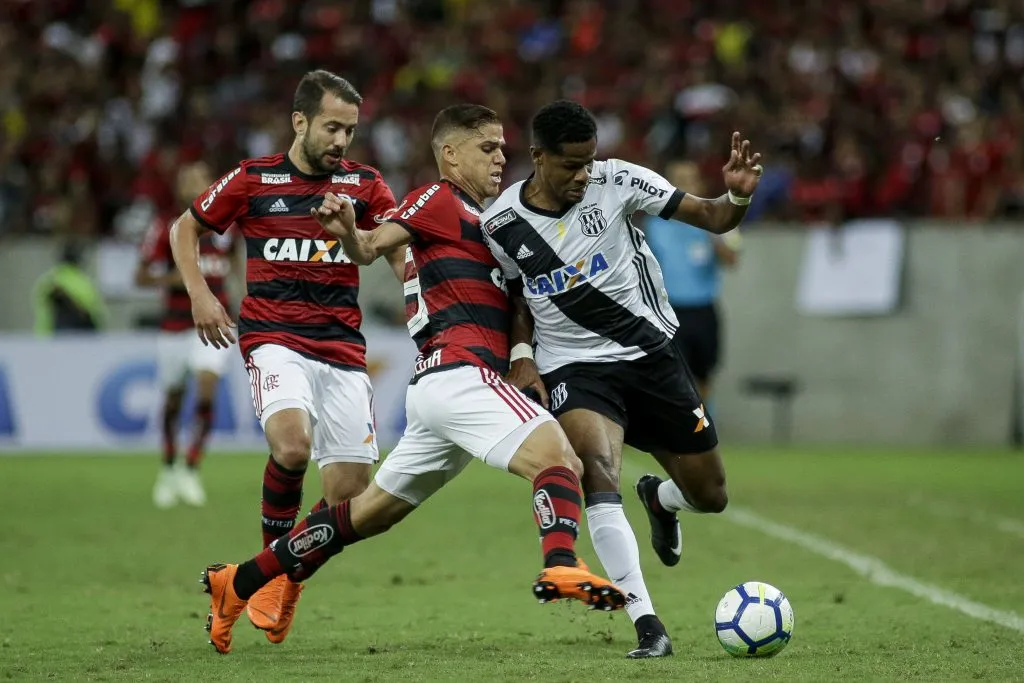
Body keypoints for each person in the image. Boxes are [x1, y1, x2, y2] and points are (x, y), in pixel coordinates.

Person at [199, 104, 625, 655]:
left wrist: (522, 353)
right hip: (459, 373)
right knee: (559, 458)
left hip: (441, 393)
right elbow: (374, 246)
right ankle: (562, 563)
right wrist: (351, 234)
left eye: (502, 148)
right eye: (487, 147)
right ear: (450, 154)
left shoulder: (488, 222)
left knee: (359, 516)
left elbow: (516, 299)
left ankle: (237, 582)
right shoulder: (438, 198)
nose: (501, 157)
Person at [480, 100, 762, 658]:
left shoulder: (619, 180)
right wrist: (522, 352)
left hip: (650, 355)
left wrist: (738, 195)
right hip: (575, 367)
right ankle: (648, 625)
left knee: (713, 495)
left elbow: (711, 217)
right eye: (571, 165)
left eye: (589, 162)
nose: (584, 175)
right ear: (537, 157)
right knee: (597, 472)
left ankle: (662, 500)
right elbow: (515, 296)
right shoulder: (500, 223)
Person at [170, 70, 404, 645]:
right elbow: (185, 229)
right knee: (293, 445)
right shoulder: (253, 178)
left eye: (349, 130)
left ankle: (281, 577)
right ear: (299, 122)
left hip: (344, 346)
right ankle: (267, 572)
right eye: (331, 127)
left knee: (349, 495)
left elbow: (394, 255)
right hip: (274, 337)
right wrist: (202, 294)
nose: (341, 141)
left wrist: (422, 294)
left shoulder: (366, 185)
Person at [137, 160, 238, 509]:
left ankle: (191, 468)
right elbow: (141, 277)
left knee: (207, 390)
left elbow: (239, 265)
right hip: (176, 326)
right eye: (186, 180)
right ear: (179, 188)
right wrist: (177, 279)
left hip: (216, 323)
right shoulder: (167, 226)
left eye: (199, 179)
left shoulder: (228, 228)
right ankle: (167, 467)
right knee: (173, 401)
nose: (192, 185)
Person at [643, 160, 741, 403]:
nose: (685, 186)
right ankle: (681, 435)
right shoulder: (654, 226)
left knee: (704, 375)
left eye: (689, 180)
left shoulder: (716, 220)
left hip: (703, 310)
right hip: (670, 311)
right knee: (674, 376)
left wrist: (714, 233)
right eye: (678, 181)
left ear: (699, 183)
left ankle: (705, 431)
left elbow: (732, 259)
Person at [32, 243, 106, 335]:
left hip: (48, 336)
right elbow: (94, 313)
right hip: (82, 337)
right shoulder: (85, 283)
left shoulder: (48, 280)